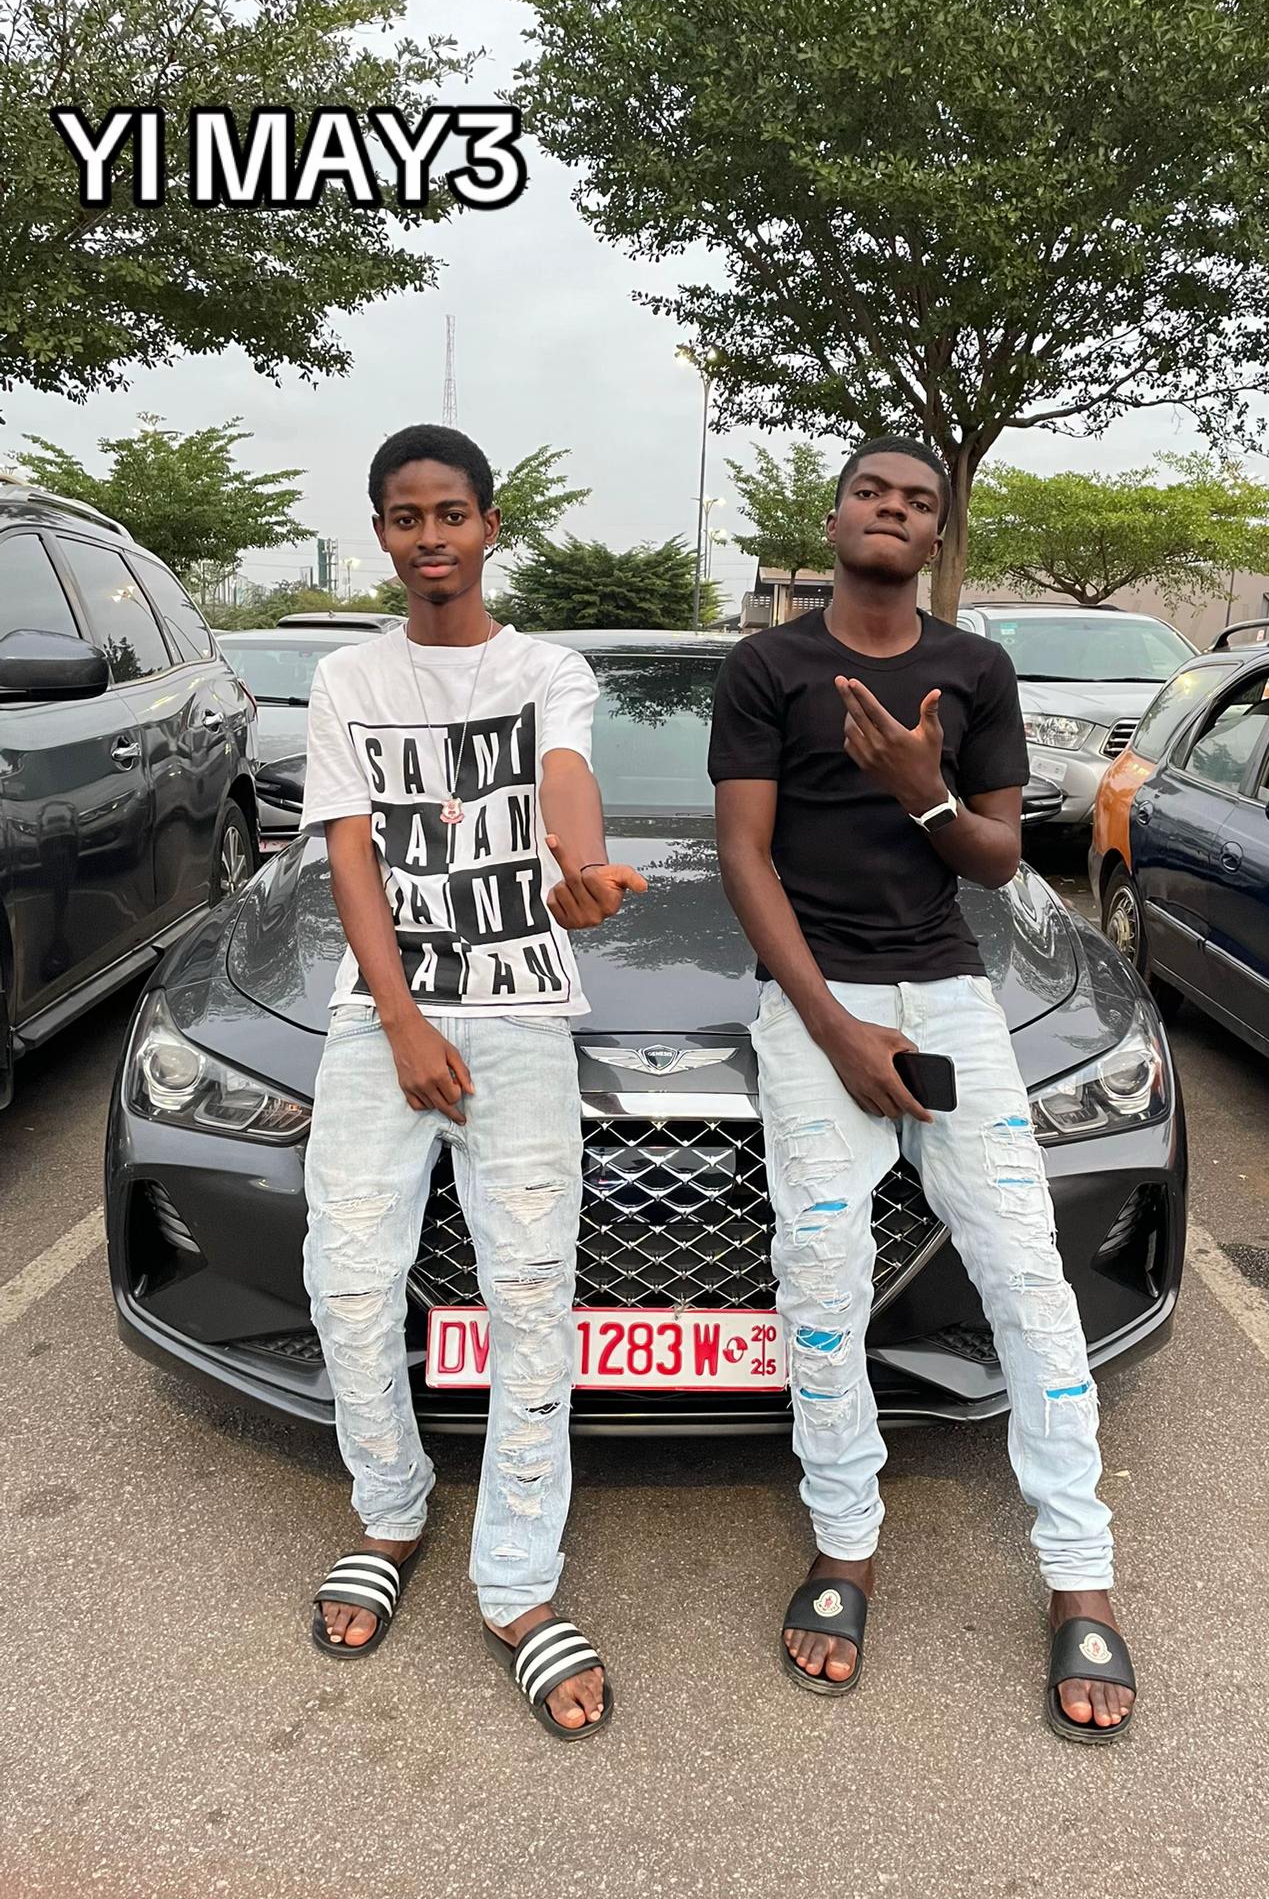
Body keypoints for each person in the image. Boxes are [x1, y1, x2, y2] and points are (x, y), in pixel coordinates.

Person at [707, 436, 1136, 1740]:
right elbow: (745, 856)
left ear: (938, 534)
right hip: (815, 1003)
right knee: (821, 1277)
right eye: (870, 493)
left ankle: (1081, 1575)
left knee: (1026, 1276)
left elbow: (1000, 860)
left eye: (917, 502)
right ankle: (845, 1544)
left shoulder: (975, 671)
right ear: (835, 515)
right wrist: (834, 1028)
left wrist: (924, 794)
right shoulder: (767, 667)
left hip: (949, 993)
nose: (891, 511)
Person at [299, 423, 644, 1741]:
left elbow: (564, 776)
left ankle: (517, 1580)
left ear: (491, 526)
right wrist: (400, 1021)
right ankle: (389, 1512)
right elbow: (351, 852)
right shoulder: (347, 678)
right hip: (380, 1017)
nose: (431, 536)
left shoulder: (543, 668)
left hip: (520, 1017)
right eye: (407, 517)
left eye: (452, 513)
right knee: (348, 1283)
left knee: (530, 1297)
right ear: (383, 534)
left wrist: (582, 869)